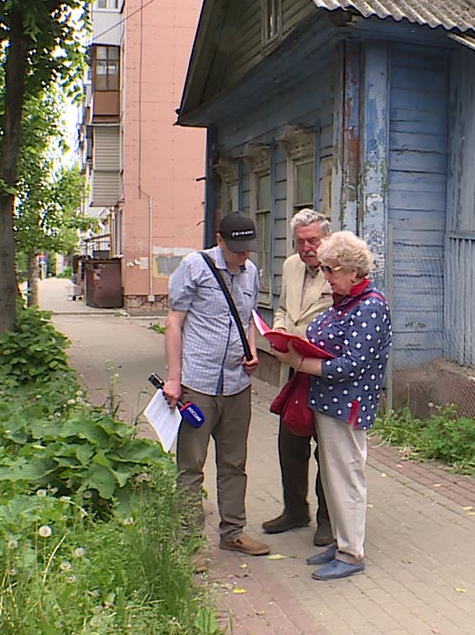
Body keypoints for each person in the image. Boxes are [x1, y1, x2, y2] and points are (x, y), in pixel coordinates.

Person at [270, 231, 392, 581]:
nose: (326, 276)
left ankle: (352, 552)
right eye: (323, 268)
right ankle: (341, 542)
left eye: (331, 269)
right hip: (326, 402)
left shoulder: (370, 305)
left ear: (353, 271)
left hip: (347, 405)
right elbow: (323, 335)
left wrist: (301, 363)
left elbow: (353, 363)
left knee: (346, 477)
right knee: (334, 477)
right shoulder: (345, 301)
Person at [163, 212, 269, 556]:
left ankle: (233, 532)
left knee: (234, 462)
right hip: (198, 383)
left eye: (248, 249)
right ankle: (189, 543)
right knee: (191, 466)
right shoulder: (194, 267)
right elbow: (174, 324)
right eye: (237, 249)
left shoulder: (251, 272)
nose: (244, 256)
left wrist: (252, 351)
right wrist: (174, 380)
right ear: (219, 240)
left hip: (237, 384)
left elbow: (247, 319)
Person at [263, 209, 335, 546]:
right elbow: (283, 307)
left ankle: (328, 519)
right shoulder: (291, 266)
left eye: (313, 240)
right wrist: (278, 330)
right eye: (301, 241)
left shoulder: (340, 266)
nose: (307, 247)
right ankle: (295, 510)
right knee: (289, 441)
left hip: (325, 370)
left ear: (327, 238)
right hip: (293, 367)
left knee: (327, 448)